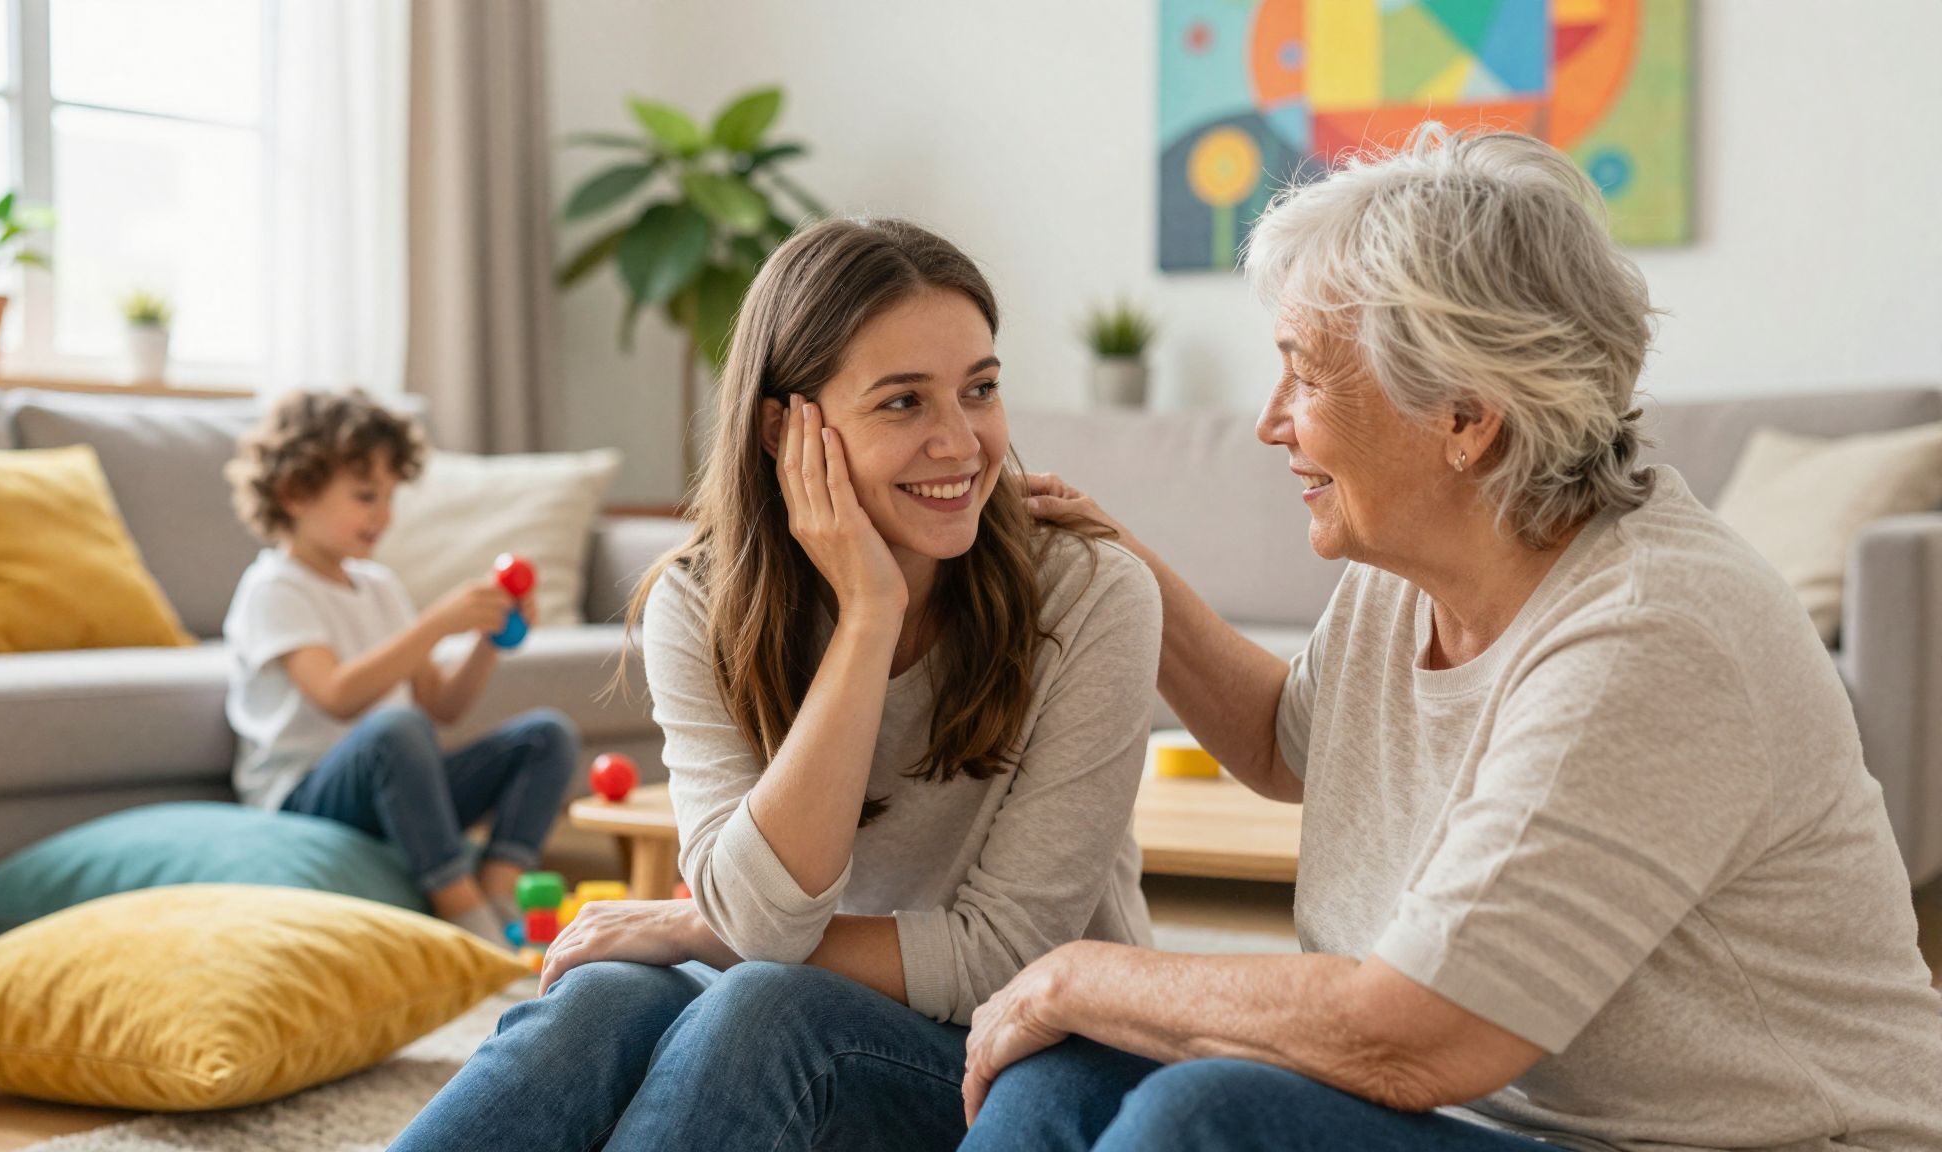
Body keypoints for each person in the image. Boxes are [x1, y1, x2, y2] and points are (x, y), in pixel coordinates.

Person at [960, 126, 1942, 1151]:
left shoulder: (1649, 635)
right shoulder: (1418, 567)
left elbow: (1416, 1040)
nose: (1268, 420)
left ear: (1463, 418)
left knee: (1200, 1119)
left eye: (1303, 375)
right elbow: (1284, 744)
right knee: (1057, 1077)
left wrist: (1074, 972)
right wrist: (1109, 558)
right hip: (1484, 1125)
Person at [390, 217, 1162, 1151]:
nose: (961, 442)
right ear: (784, 427)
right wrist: (867, 617)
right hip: (807, 985)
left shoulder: (1088, 595)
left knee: (762, 1002)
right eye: (903, 403)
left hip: (1033, 1047)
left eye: (980, 390)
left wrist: (697, 931)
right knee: (600, 1001)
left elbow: (1006, 952)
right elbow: (760, 916)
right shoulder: (700, 599)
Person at [223, 389, 577, 945]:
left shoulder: (380, 588)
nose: (384, 515)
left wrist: (487, 641)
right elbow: (336, 695)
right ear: (294, 493)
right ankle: (461, 911)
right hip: (306, 795)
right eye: (366, 496)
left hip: (397, 787)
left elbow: (443, 706)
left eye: (389, 497)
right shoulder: (274, 588)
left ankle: (499, 886)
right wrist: (436, 624)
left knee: (546, 735)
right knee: (396, 729)